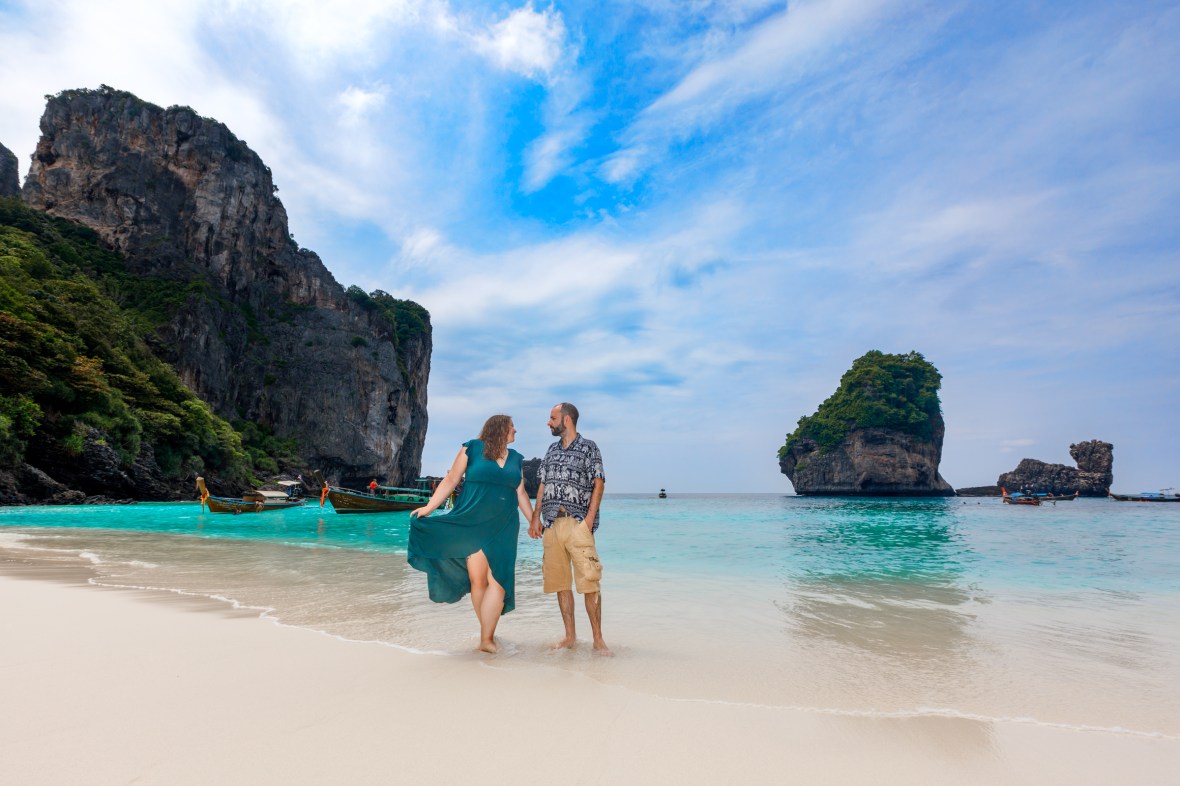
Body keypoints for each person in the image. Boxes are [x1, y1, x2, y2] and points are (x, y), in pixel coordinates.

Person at [408, 415, 534, 653]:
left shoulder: (516, 459)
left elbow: (521, 493)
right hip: (471, 520)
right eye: (511, 427)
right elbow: (451, 479)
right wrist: (428, 507)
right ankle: (487, 638)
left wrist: (533, 521)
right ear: (500, 428)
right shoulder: (472, 449)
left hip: (506, 525)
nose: (515, 430)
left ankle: (486, 638)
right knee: (478, 579)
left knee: (499, 580)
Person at [528, 403, 610, 655]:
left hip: (577, 524)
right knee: (560, 583)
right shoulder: (551, 450)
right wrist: (534, 519)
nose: (548, 423)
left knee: (590, 583)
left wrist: (588, 521)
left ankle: (598, 639)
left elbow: (598, 484)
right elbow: (542, 486)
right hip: (552, 524)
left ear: (567, 420)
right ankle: (570, 636)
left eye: (552, 418)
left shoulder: (589, 447)